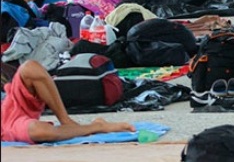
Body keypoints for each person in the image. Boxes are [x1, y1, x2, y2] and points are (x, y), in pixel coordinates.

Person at [1, 60, 134, 143]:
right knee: (40, 131)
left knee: (30, 67)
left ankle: (66, 121)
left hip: (10, 100)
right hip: (6, 124)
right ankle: (97, 126)